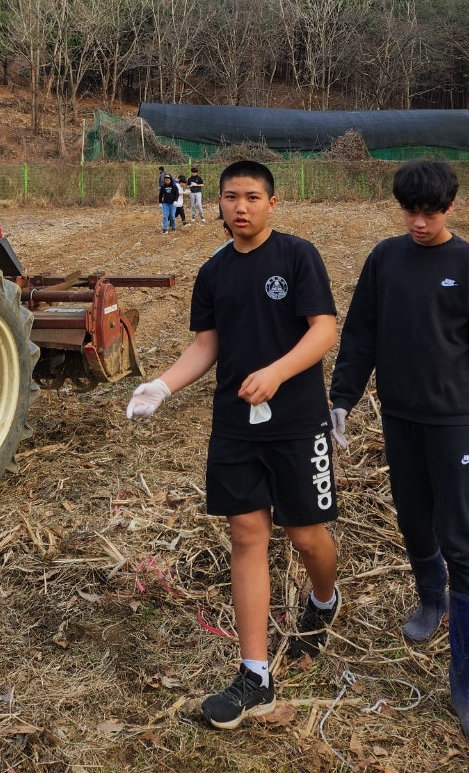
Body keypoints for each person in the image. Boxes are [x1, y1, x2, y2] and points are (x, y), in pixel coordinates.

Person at [128, 160, 341, 730]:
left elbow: (324, 329)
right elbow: (207, 346)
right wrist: (163, 385)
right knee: (247, 535)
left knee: (304, 534)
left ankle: (324, 599)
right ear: (216, 203)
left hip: (297, 421)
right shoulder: (213, 272)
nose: (240, 206)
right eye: (230, 197)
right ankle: (255, 675)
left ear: (272, 203)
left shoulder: (298, 256)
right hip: (235, 426)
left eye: (252, 196)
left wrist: (276, 372)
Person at [328, 158, 469, 753]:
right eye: (409, 210)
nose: (418, 221)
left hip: (458, 419)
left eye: (429, 212)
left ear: (450, 208)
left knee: (464, 541)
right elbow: (359, 332)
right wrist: (343, 398)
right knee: (412, 517)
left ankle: (467, 688)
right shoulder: (385, 259)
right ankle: (430, 598)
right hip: (401, 415)